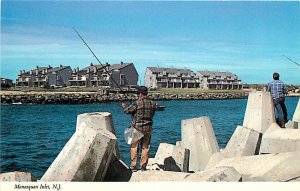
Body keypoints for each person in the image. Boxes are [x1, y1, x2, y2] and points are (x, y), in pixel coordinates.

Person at [121, 86, 157, 171]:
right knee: (145, 147)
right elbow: (152, 114)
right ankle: (143, 166)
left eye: (138, 93)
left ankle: (133, 166)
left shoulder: (137, 103)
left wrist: (124, 106)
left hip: (137, 128)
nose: (137, 95)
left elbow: (127, 111)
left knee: (134, 147)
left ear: (140, 94)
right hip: (148, 128)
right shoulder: (153, 104)